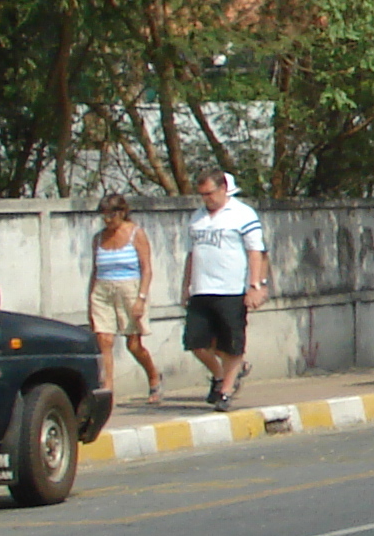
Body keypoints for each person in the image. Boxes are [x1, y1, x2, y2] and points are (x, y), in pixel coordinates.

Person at [182, 169, 270, 410]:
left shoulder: (242, 214)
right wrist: (185, 286)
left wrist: (255, 285)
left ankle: (225, 391)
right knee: (196, 342)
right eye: (202, 195)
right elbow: (191, 254)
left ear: (223, 189)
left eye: (210, 193)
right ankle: (221, 375)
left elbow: (257, 252)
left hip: (231, 290)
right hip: (201, 289)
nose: (206, 199)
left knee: (232, 343)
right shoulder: (197, 217)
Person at [86, 193, 165, 406]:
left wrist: (141, 298)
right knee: (104, 340)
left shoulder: (136, 234)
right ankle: (108, 389)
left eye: (111, 215)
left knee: (133, 344)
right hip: (103, 289)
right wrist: (90, 299)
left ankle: (154, 377)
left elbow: (147, 269)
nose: (107, 220)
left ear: (121, 213)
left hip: (130, 289)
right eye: (104, 216)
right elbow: (95, 270)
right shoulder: (99, 238)